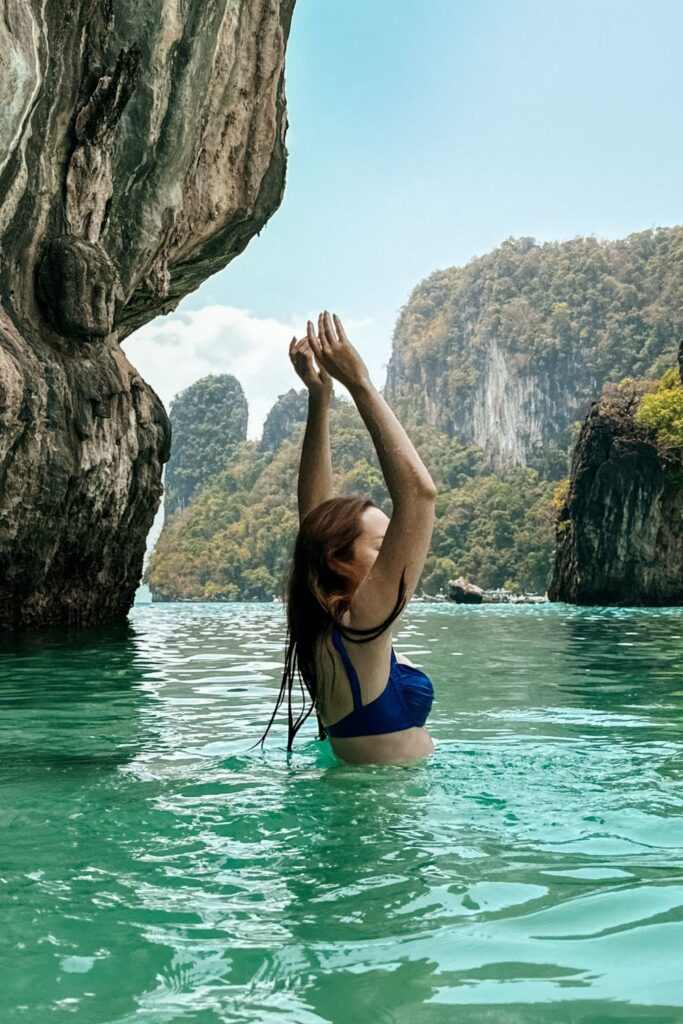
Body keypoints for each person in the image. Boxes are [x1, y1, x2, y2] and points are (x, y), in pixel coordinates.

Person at [254, 311, 437, 766]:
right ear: (338, 561)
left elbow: (315, 524)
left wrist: (320, 400)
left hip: (360, 813)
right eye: (381, 546)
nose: (394, 551)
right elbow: (419, 495)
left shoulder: (324, 629)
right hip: (385, 824)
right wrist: (361, 384)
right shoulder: (360, 625)